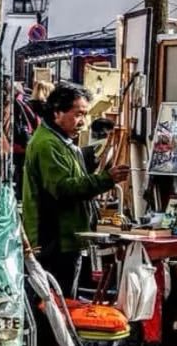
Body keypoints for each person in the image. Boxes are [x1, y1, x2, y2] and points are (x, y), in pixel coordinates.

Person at [23, 85, 130, 296]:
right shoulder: (47, 144)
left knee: (62, 301)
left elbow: (72, 178)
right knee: (54, 304)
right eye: (78, 114)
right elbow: (63, 188)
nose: (83, 122)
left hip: (67, 237)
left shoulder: (62, 142)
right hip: (54, 240)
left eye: (85, 114)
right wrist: (105, 180)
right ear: (57, 112)